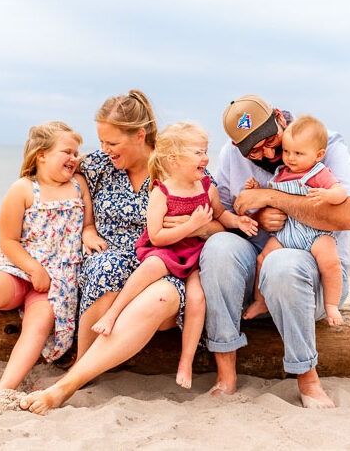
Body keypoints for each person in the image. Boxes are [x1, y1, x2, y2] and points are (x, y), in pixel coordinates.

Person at [20, 90, 224, 415]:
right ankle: (79, 370)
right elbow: (62, 177)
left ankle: (67, 384)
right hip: (111, 263)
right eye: (101, 141)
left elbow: (217, 221)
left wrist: (194, 227)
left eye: (112, 142)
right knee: (107, 267)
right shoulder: (100, 166)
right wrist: (87, 225)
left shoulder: (175, 165)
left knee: (161, 296)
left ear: (140, 135)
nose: (104, 149)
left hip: (166, 266)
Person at [199, 95, 350, 409]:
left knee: (282, 264)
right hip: (255, 274)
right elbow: (221, 216)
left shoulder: (324, 142)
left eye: (270, 140)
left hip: (313, 273)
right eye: (254, 150)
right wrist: (253, 219)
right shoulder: (230, 156)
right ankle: (225, 374)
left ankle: (307, 379)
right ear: (237, 148)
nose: (270, 153)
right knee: (218, 247)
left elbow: (347, 216)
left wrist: (271, 197)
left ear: (279, 117)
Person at [91, 122, 257, 389]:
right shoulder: (161, 192)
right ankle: (112, 315)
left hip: (195, 254)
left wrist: (238, 222)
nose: (205, 158)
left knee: (197, 298)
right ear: (173, 159)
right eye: (197, 152)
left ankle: (186, 361)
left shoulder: (206, 187)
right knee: (149, 268)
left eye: (205, 151)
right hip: (166, 249)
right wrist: (190, 226)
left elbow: (220, 215)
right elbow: (156, 237)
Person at [0, 121, 105, 393]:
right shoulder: (22, 189)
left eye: (76, 153)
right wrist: (34, 269)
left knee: (41, 320)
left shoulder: (78, 185)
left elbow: (88, 224)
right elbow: (8, 240)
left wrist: (89, 234)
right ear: (41, 155)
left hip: (59, 275)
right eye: (67, 152)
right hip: (19, 266)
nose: (74, 158)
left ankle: (5, 388)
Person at [242, 115, 347, 325]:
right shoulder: (282, 173)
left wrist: (328, 196)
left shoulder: (319, 173)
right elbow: (270, 195)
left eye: (298, 153)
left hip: (314, 233)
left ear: (318, 155)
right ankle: (261, 300)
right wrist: (256, 191)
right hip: (287, 232)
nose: (290, 158)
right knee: (263, 259)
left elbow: (341, 192)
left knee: (331, 263)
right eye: (287, 151)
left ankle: (331, 305)